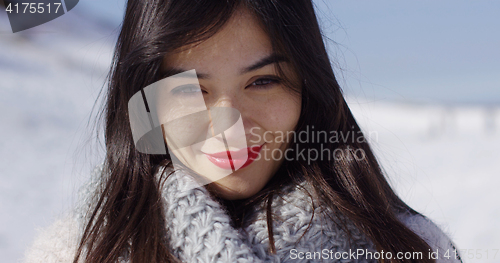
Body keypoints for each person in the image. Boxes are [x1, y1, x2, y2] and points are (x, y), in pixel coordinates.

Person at [24, 0, 462, 262]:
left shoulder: (413, 250)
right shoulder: (75, 254)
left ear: (309, 90)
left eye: (262, 81)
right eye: (189, 89)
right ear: (144, 101)